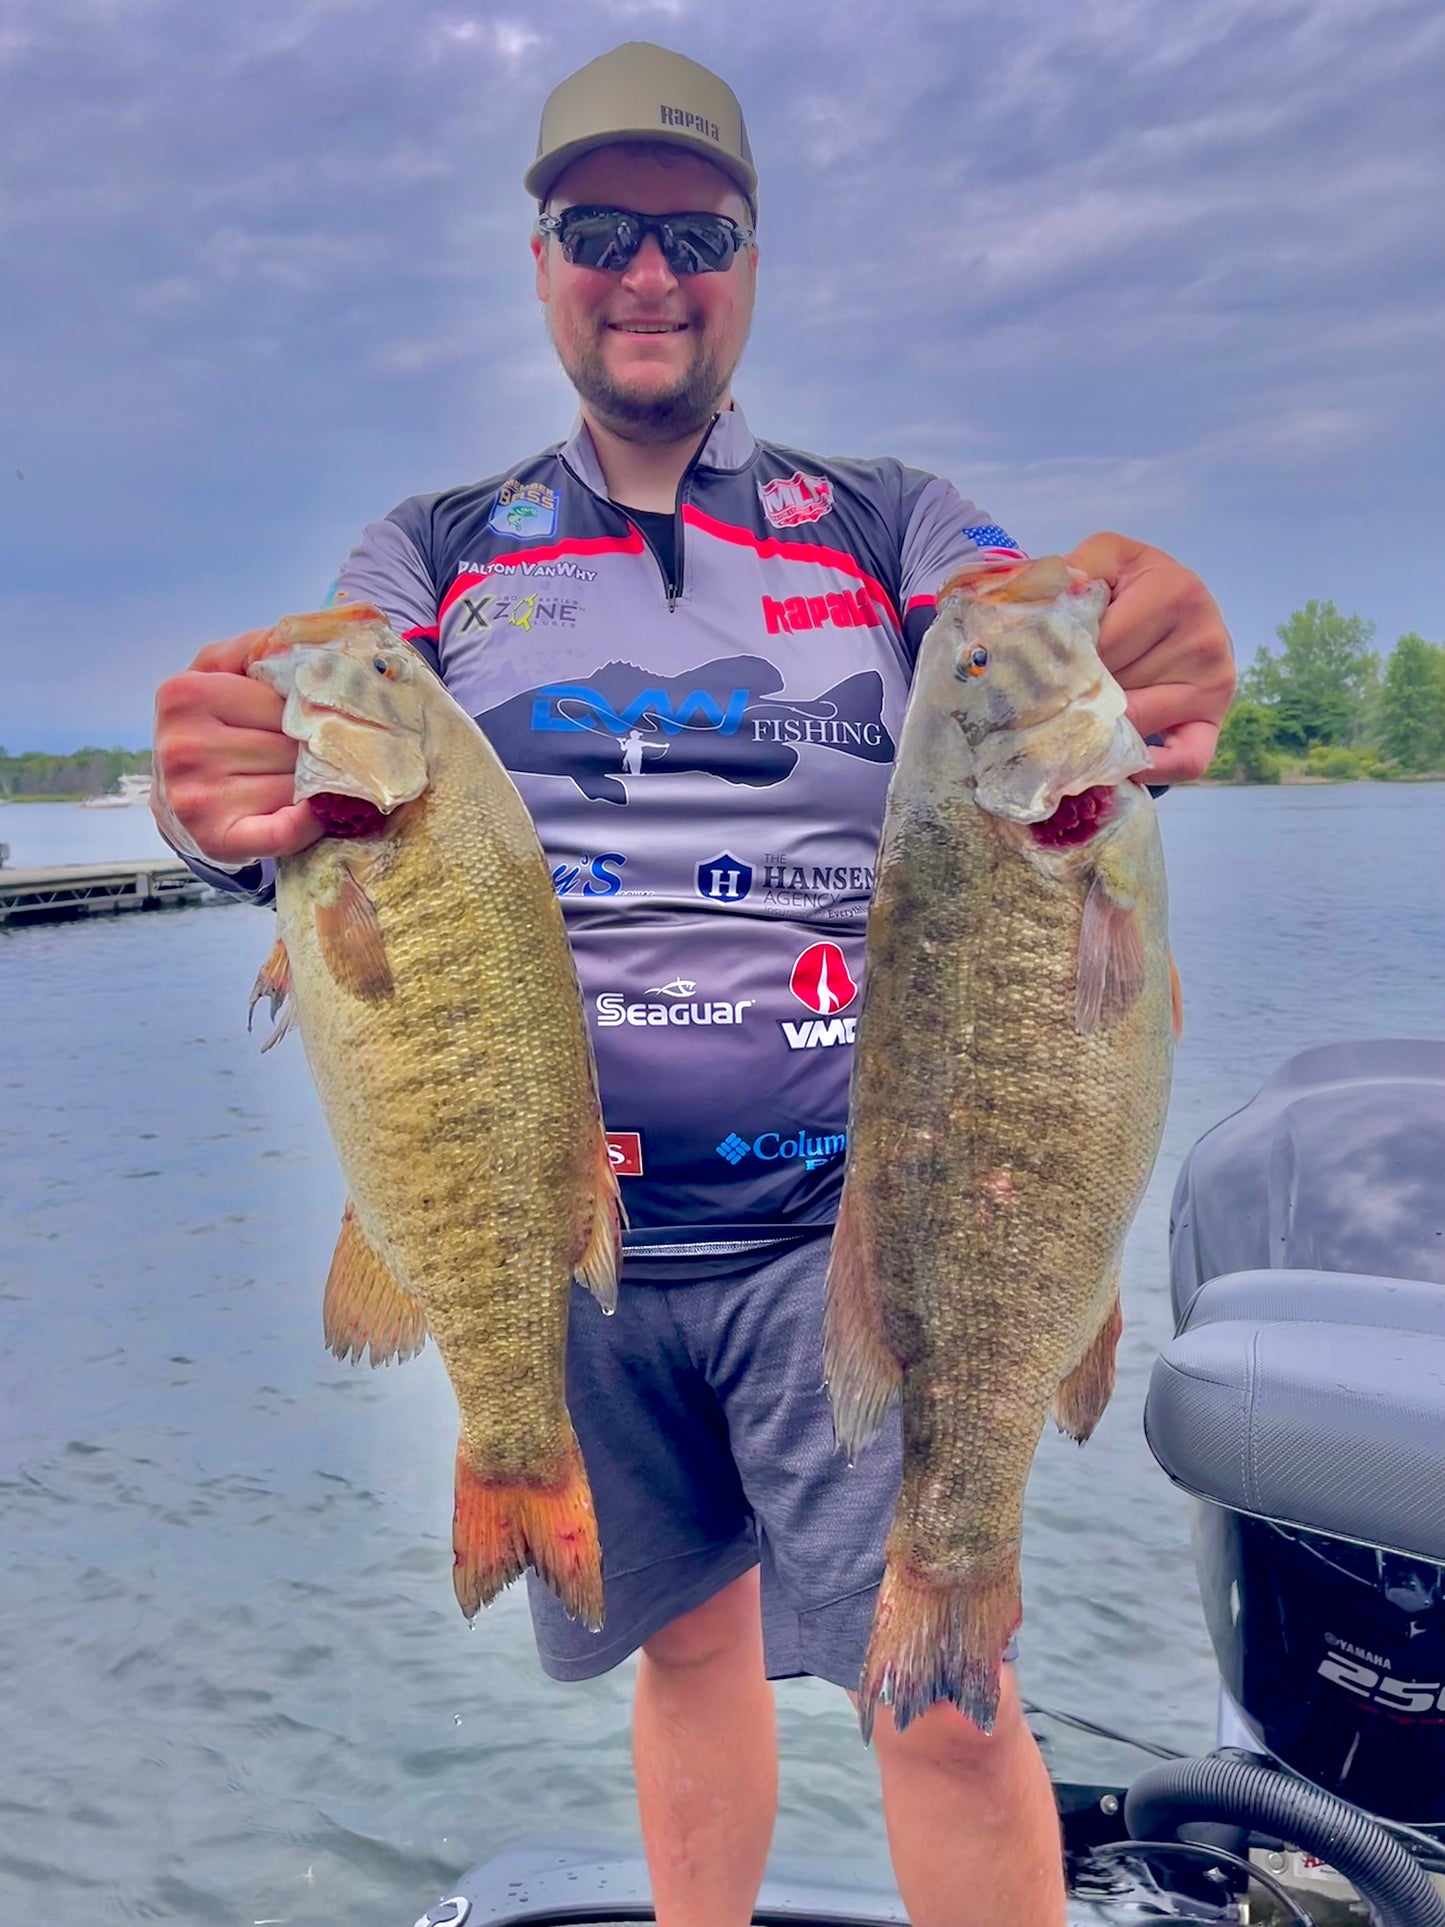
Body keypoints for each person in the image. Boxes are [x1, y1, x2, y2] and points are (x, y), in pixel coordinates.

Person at [151, 41, 1234, 1927]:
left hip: (856, 1235)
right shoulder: (432, 552)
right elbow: (316, 767)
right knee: (687, 1650)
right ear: (541, 266)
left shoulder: (884, 519)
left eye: (695, 234)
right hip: (556, 1236)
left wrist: (1137, 637)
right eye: (599, 231)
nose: (646, 273)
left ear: (750, 262)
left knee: (951, 1701)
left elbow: (1022, 629)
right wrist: (213, 804)